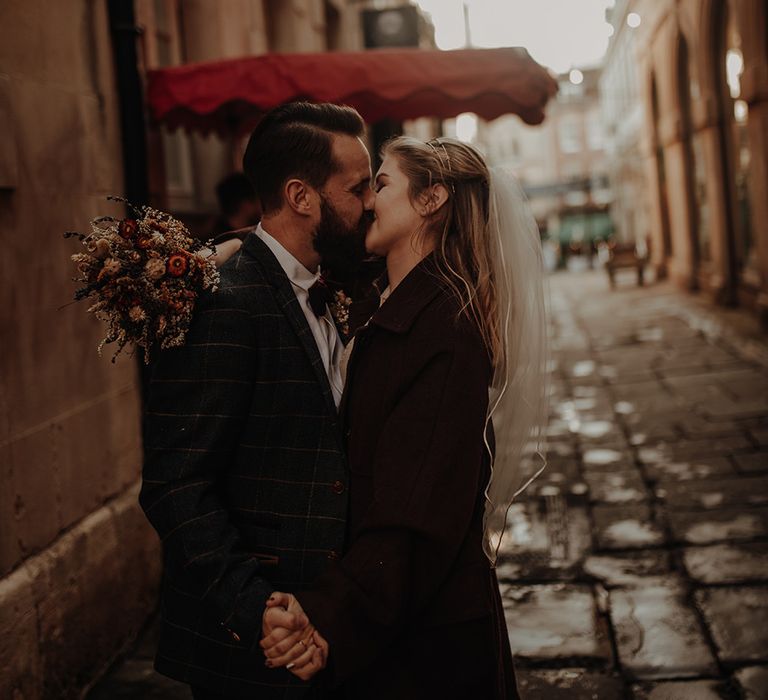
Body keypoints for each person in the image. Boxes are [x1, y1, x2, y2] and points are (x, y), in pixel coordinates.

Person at [260, 136, 548, 699]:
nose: (366, 200)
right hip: (396, 616)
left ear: (431, 198)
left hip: (429, 640)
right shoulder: (384, 301)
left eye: (382, 183)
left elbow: (416, 511)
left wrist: (329, 618)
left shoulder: (447, 330)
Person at [139, 101, 374, 699]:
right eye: (358, 188)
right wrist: (254, 609)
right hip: (251, 650)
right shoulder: (225, 302)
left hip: (327, 626)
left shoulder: (335, 284)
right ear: (302, 196)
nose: (370, 203)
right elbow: (175, 484)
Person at [210, 171, 262, 236]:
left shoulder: (217, 233)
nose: (261, 207)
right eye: (258, 200)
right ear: (245, 204)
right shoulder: (222, 239)